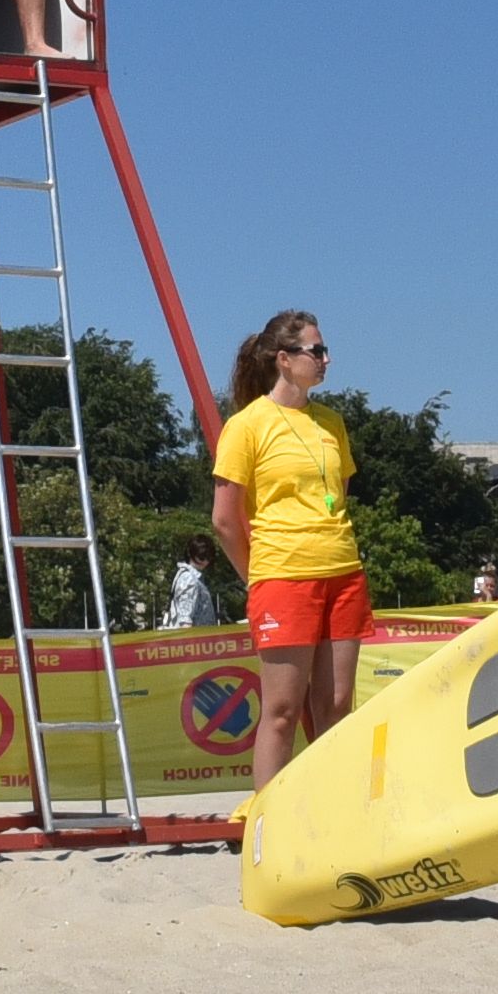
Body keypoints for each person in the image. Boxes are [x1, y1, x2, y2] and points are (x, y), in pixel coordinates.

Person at [209, 310, 369, 795]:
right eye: (316, 351)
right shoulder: (246, 425)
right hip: (282, 577)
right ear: (284, 359)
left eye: (324, 350)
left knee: (336, 705)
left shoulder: (331, 422)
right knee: (281, 711)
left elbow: (338, 496)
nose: (326, 359)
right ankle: (269, 821)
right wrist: (257, 576)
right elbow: (224, 520)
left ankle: (334, 810)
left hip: (343, 572)